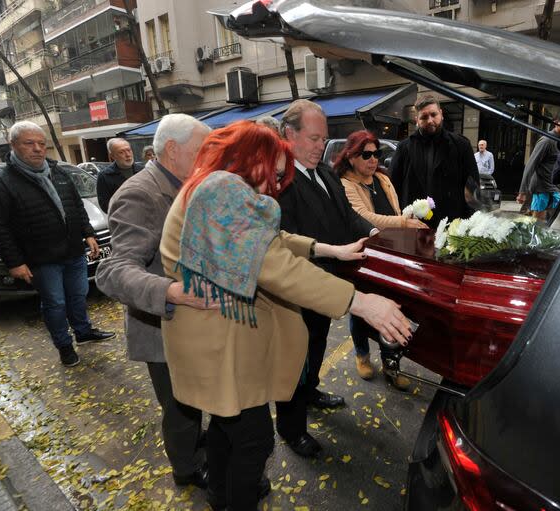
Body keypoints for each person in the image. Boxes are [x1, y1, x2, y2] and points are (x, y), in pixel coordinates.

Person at [159, 120, 411, 510]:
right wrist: (359, 302)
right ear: (248, 159)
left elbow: (269, 239)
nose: (275, 184)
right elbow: (272, 262)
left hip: (219, 335)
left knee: (229, 429)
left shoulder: (213, 185)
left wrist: (329, 250)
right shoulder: (222, 190)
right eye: (272, 172)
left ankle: (222, 496)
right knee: (254, 437)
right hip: (219, 340)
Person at [95, 114, 213, 491]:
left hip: (196, 319)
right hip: (163, 324)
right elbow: (112, 272)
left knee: (200, 397)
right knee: (181, 408)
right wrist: (169, 292)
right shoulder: (139, 193)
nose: (209, 157)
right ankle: (187, 469)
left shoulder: (192, 183)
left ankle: (202, 451)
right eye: (202, 150)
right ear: (173, 150)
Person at [276, 99, 377, 458]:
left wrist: (376, 231)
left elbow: (349, 216)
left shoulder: (326, 173)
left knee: (316, 347)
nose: (322, 145)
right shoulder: (280, 181)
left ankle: (312, 391)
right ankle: (290, 428)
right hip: (299, 290)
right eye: (314, 138)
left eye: (324, 138)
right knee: (294, 360)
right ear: (289, 135)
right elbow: (283, 245)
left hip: (328, 285)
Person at [0, 121, 115, 367]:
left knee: (79, 295)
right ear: (13, 145)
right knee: (55, 303)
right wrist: (15, 262)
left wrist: (88, 233)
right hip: (40, 258)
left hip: (73, 251)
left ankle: (83, 331)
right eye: (29, 143)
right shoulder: (0, 181)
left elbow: (76, 206)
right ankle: (64, 346)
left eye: (41, 143)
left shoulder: (58, 172)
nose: (37, 149)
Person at [334, 130, 427, 389]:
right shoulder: (345, 184)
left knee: (394, 307)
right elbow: (365, 218)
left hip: (392, 254)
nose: (373, 159)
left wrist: (405, 223)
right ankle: (362, 355)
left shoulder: (383, 179)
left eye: (377, 153)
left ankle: (391, 364)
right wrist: (403, 223)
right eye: (366, 154)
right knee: (362, 308)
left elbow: (396, 210)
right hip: (364, 255)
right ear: (351, 157)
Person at [390, 95, 479, 226]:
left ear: (441, 114)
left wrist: (469, 222)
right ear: (417, 120)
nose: (430, 120)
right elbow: (393, 186)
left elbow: (472, 186)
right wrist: (399, 219)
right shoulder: (404, 147)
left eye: (433, 114)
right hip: (415, 223)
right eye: (424, 117)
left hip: (451, 223)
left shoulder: (461, 145)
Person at [517, 110, 560, 220]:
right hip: (541, 188)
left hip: (554, 187)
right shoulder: (546, 140)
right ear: (556, 122)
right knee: (538, 222)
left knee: (557, 220)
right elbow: (530, 165)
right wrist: (522, 192)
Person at [96, 138, 144, 213]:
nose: (128, 155)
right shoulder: (105, 176)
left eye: (129, 150)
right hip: (122, 220)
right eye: (121, 152)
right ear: (112, 156)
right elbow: (105, 205)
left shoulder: (143, 171)